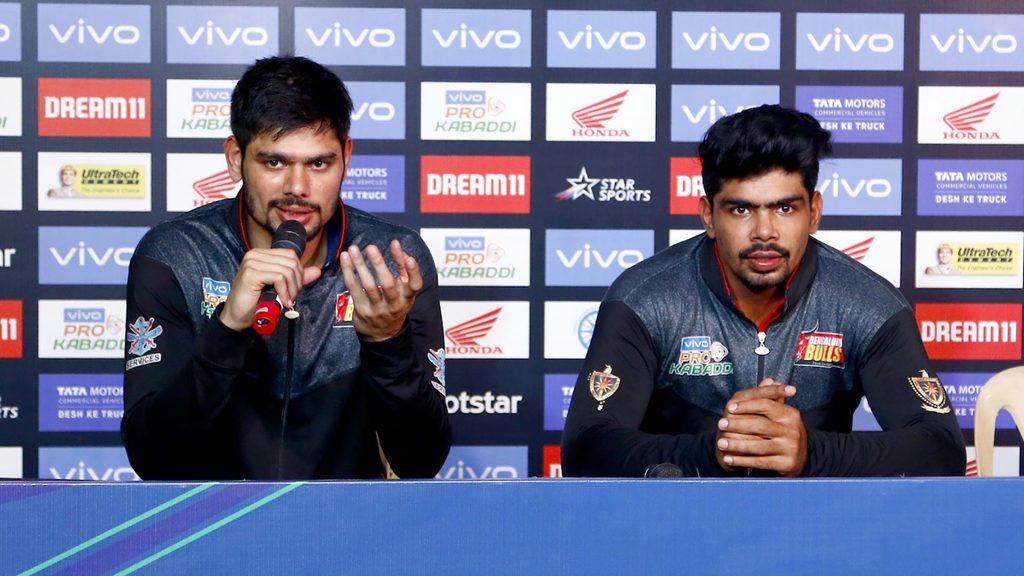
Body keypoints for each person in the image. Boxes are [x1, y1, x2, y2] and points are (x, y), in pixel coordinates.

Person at [562, 105, 965, 477]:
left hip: (817, 533)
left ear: (815, 212)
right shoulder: (645, 299)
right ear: (708, 215)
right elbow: (585, 446)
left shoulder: (867, 304)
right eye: (741, 209)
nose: (764, 232)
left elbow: (942, 448)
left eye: (785, 208)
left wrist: (811, 453)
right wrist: (714, 453)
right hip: (676, 530)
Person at [122, 56, 451, 480]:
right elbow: (153, 459)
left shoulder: (391, 258)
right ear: (235, 157)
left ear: (346, 157)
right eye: (274, 162)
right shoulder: (176, 255)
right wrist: (228, 328)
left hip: (351, 537)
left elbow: (421, 461)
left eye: (319, 163)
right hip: (211, 534)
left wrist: (388, 342)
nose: (297, 188)